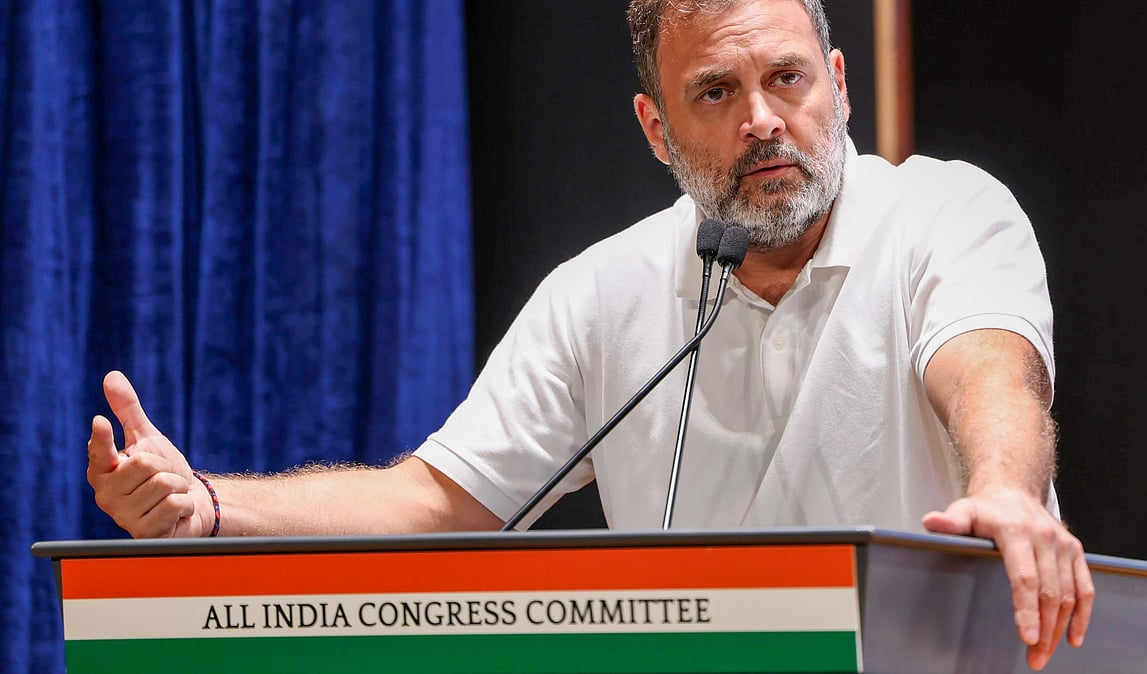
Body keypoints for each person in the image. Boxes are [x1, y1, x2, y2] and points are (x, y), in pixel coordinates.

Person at [86, 0, 1093, 670]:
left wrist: (1002, 488)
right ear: (657, 128)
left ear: (837, 80)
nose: (763, 120)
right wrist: (211, 507)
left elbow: (991, 370)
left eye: (788, 80)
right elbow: (436, 499)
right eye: (715, 92)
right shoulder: (602, 292)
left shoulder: (949, 214)